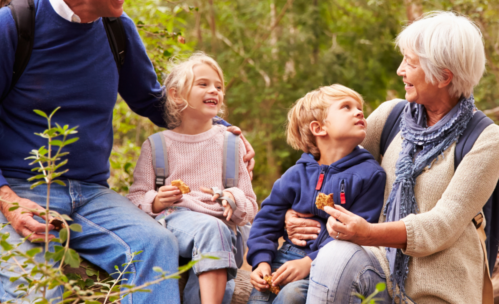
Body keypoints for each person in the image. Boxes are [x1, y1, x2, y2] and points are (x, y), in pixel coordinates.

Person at [0, 0, 255, 302]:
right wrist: (8, 201)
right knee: (37, 293)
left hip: (92, 194)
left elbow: (154, 102)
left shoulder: (117, 28)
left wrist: (223, 131)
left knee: (156, 244)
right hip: (21, 189)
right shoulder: (14, 25)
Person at [285, 11, 499, 304]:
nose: (400, 70)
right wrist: (291, 210)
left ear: (443, 76)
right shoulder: (391, 116)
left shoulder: (487, 139)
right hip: (378, 268)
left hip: (437, 291)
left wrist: (368, 233)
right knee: (333, 256)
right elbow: (330, 166)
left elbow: (442, 225)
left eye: (410, 63)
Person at [127, 53, 258, 304]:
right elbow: (135, 198)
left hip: (227, 233)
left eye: (219, 87)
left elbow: (251, 208)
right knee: (212, 228)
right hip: (175, 222)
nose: (214, 91)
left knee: (216, 229)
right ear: (176, 95)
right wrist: (156, 201)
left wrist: (235, 198)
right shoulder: (157, 145)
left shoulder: (232, 143)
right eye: (203, 84)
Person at [245, 84, 387, 304]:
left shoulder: (370, 175)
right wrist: (261, 262)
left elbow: (360, 232)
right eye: (346, 107)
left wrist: (309, 262)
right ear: (319, 128)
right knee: (260, 296)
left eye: (360, 108)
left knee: (291, 296)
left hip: (330, 267)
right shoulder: (297, 173)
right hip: (284, 257)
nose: (359, 112)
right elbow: (267, 219)